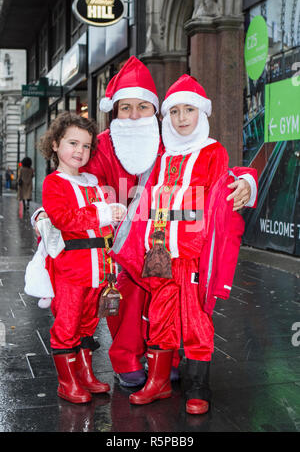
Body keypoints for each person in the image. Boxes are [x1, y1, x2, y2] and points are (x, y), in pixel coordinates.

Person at [33, 56, 256, 388]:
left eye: (142, 107)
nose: (134, 115)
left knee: (175, 300)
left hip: (168, 241)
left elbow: (212, 164)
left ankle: (168, 361)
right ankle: (126, 360)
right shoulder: (101, 146)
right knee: (125, 296)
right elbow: (71, 183)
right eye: (125, 108)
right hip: (115, 246)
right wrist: (43, 215)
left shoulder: (169, 140)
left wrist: (245, 182)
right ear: (115, 111)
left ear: (155, 111)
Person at [109, 74, 258, 414]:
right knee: (159, 317)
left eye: (189, 110)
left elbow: (226, 185)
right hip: (157, 255)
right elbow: (146, 201)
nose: (181, 118)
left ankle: (197, 386)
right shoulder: (162, 156)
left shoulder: (212, 151)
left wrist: (247, 179)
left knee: (194, 320)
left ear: (202, 113)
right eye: (174, 112)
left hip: (190, 256)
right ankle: (158, 381)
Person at [37, 111, 126, 404]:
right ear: (54, 145)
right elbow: (63, 219)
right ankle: (67, 382)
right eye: (72, 143)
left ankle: (85, 374)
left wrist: (114, 217)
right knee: (67, 325)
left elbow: (102, 224)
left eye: (86, 146)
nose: (80, 151)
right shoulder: (54, 183)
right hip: (70, 271)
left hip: (99, 268)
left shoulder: (93, 181)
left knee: (88, 323)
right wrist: (102, 212)